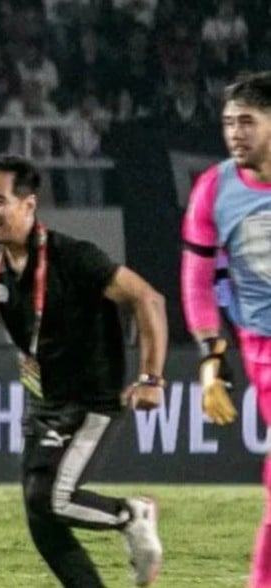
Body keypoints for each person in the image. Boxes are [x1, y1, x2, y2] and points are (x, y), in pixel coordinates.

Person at [0, 154, 166, 587]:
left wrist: (150, 378)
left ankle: (132, 514)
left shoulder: (75, 258)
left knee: (47, 497)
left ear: (29, 206)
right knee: (41, 518)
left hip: (90, 401)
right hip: (43, 403)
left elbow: (149, 299)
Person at [180, 71, 271, 588]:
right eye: (228, 123)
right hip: (264, 349)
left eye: (248, 122)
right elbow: (197, 281)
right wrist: (212, 362)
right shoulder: (215, 188)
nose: (235, 133)